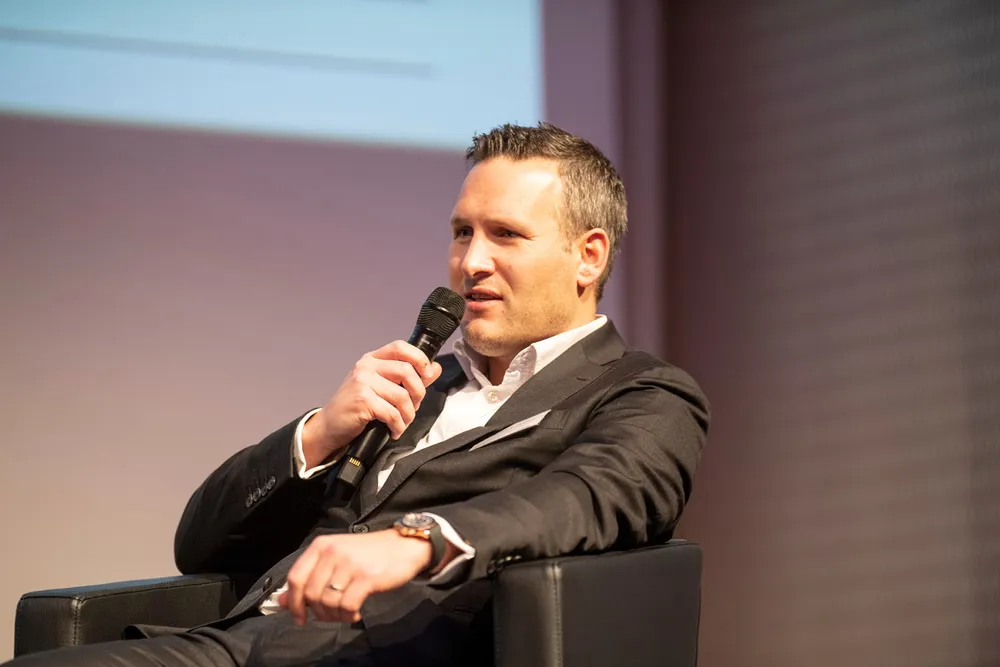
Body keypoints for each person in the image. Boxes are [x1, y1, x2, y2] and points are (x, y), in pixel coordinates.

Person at [9, 122, 710, 667]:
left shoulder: (645, 394)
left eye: (505, 235)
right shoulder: (418, 385)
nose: (471, 262)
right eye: (462, 233)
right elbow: (199, 544)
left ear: (588, 255)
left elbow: (586, 497)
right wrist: (318, 433)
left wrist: (417, 541)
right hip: (242, 644)